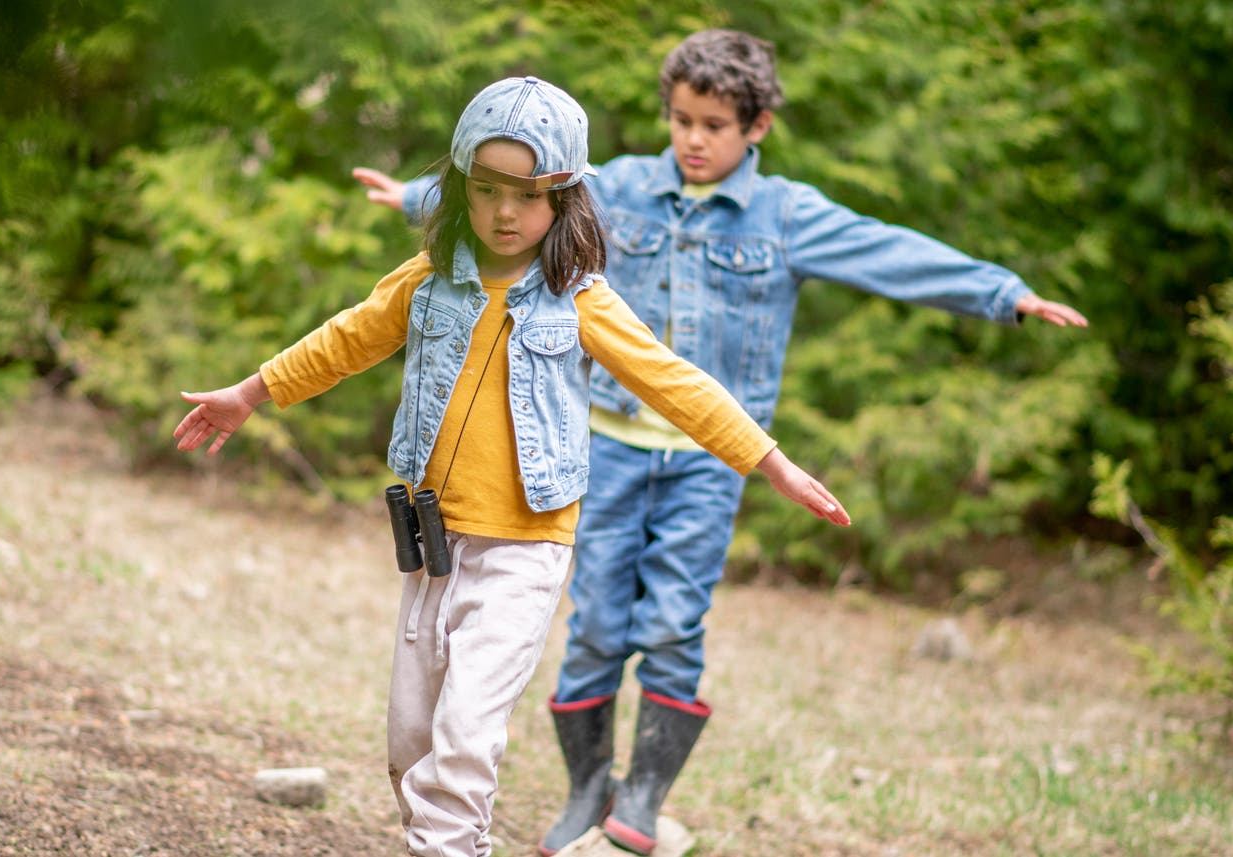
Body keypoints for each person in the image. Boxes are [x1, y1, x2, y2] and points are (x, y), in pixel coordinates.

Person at [353, 30, 1090, 857]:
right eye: (681, 120)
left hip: (707, 458)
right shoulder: (624, 187)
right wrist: (414, 197)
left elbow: (889, 250)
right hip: (606, 447)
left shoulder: (787, 216)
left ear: (757, 127)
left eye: (713, 125)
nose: (693, 139)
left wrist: (1001, 293)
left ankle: (645, 791)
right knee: (595, 624)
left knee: (671, 620)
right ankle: (585, 789)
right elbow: (516, 185)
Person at [174, 75, 850, 857]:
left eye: (527, 195)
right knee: (411, 742)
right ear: (460, 187)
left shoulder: (581, 300)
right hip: (432, 545)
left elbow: (675, 382)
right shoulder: (428, 280)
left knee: (465, 732)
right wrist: (250, 393)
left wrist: (769, 464)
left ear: (564, 199)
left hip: (525, 550)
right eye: (487, 190)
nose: (504, 212)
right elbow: (347, 338)